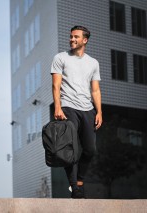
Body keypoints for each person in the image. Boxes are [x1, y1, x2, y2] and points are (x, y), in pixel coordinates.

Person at [51, 25, 102, 198]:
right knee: (69, 149)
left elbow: (95, 90)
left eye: (76, 37)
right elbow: (56, 85)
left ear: (85, 40)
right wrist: (57, 106)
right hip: (67, 107)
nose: (72, 39)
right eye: (71, 36)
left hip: (87, 109)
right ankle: (75, 188)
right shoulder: (60, 58)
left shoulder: (93, 63)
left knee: (90, 150)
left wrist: (99, 112)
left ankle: (79, 181)